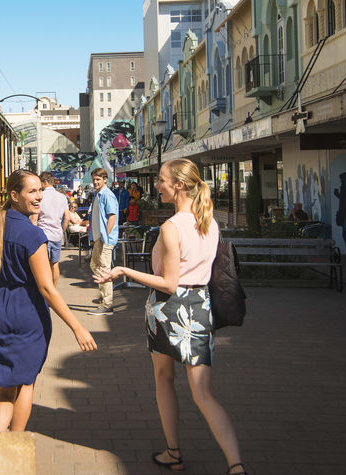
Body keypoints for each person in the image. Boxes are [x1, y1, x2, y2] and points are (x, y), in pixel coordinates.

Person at [94, 158, 246, 474]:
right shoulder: (210, 222)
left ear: (178, 185)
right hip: (201, 308)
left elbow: (169, 281)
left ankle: (173, 452)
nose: (158, 186)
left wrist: (123, 270)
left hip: (169, 308)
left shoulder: (171, 227)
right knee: (203, 393)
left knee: (164, 379)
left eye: (162, 180)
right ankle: (236, 465)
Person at [0, 170, 97, 432]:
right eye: (32, 191)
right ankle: (15, 445)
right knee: (26, 384)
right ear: (14, 195)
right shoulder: (32, 236)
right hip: (27, 312)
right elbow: (46, 288)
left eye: (39, 190)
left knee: (3, 390)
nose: (39, 196)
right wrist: (77, 326)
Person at [88, 168, 119, 316]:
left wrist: (104, 237)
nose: (95, 182)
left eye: (98, 179)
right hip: (98, 238)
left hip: (104, 240)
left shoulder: (107, 195)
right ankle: (105, 299)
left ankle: (107, 304)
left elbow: (112, 216)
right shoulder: (98, 195)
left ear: (105, 179)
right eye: (94, 179)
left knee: (104, 269)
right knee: (95, 265)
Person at [37, 172, 69, 286]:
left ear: (45, 182)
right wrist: (62, 231)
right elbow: (67, 218)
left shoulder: (40, 196)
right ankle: (53, 289)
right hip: (56, 235)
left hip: (42, 235)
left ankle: (45, 291)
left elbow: (35, 216)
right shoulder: (62, 197)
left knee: (42, 265)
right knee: (55, 264)